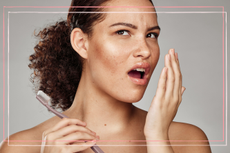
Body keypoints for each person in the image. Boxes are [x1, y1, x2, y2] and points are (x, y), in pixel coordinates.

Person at [0, 0, 212, 152]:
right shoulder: (23, 147)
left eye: (151, 35)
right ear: (82, 43)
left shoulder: (187, 141)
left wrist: (157, 138)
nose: (146, 50)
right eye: (123, 32)